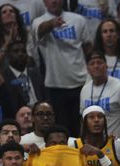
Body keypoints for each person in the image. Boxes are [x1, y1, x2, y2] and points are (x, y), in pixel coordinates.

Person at [33, 0, 92, 137]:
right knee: (61, 128)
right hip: (55, 84)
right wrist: (52, 24)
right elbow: (40, 29)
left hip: (80, 81)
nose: (54, 1)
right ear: (44, 2)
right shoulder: (39, 21)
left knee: (81, 126)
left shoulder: (78, 20)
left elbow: (88, 46)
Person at [80, 50, 120, 147]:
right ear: (87, 69)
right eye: (92, 64)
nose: (96, 66)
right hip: (93, 148)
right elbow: (83, 121)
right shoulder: (85, 90)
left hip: (117, 147)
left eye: (99, 63)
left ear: (106, 66)